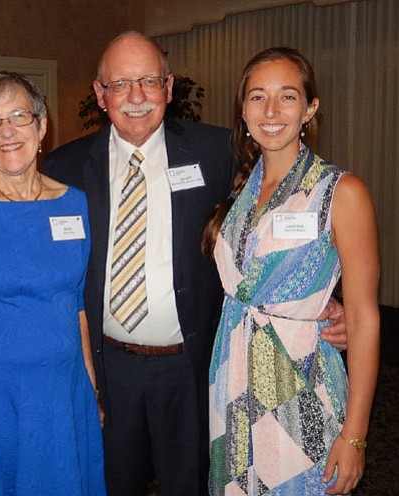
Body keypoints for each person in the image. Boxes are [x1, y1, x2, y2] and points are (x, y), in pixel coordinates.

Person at [41, 31, 348, 496]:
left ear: (168, 87)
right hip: (107, 368)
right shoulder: (63, 169)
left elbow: (273, 222)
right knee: (110, 483)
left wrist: (326, 300)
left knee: (191, 483)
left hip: (194, 365)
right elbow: (36, 255)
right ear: (100, 95)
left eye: (148, 81)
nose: (137, 97)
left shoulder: (218, 151)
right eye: (120, 84)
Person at [204, 47, 379, 495]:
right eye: (257, 97)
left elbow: (362, 318)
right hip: (232, 381)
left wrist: (355, 436)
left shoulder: (342, 192)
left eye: (287, 96)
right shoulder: (239, 190)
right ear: (242, 111)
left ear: (309, 108)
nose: (271, 111)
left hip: (301, 388)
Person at [0, 72, 106, 496]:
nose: (6, 131)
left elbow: (77, 305)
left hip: (66, 396)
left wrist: (91, 390)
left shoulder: (75, 204)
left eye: (18, 116)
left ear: (42, 126)